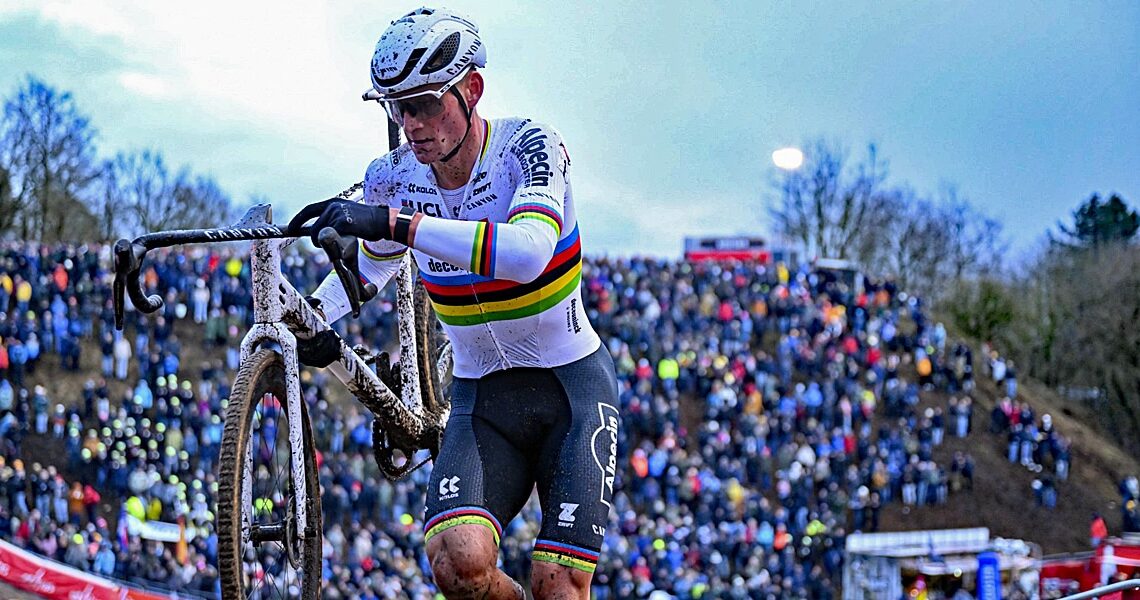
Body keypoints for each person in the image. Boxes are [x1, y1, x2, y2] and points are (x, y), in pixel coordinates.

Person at [288, 7, 620, 599]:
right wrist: (310, 318)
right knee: (456, 564)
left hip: (569, 388)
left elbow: (527, 253)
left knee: (558, 585)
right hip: (480, 395)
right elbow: (371, 268)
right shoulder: (393, 176)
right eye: (397, 108)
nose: (411, 123)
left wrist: (396, 223)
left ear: (472, 90)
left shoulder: (530, 147)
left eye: (424, 103)